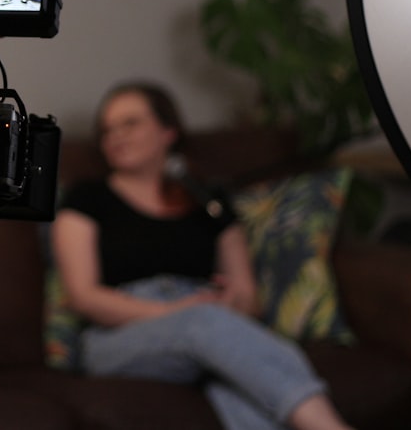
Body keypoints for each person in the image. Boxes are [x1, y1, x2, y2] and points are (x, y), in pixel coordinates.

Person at [50, 81, 355, 430]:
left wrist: (228, 303)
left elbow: (247, 297)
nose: (115, 136)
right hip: (118, 337)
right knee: (206, 326)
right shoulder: (87, 198)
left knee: (242, 384)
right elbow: (83, 296)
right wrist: (175, 313)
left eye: (130, 123)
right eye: (107, 130)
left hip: (207, 325)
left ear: (168, 131)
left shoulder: (207, 201)